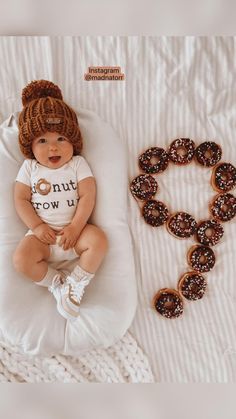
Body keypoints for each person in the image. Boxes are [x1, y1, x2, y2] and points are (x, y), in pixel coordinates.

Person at [13, 80, 108, 321]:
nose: (53, 148)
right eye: (42, 141)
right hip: (42, 238)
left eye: (61, 139)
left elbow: (88, 194)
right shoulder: (30, 168)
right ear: (30, 147)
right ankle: (58, 283)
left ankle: (77, 281)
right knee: (21, 260)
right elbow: (21, 199)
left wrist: (76, 226)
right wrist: (37, 226)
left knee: (98, 240)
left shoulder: (77, 164)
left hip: (74, 234)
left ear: (73, 142)